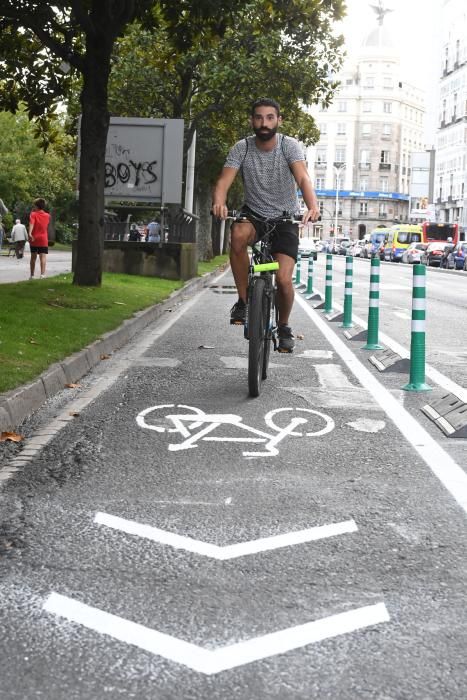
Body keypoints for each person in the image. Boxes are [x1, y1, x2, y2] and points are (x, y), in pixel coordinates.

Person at [212, 97, 320, 352]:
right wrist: (219, 202)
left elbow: (303, 178)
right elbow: (223, 182)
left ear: (278, 121)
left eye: (270, 117)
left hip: (285, 217)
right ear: (252, 120)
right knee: (237, 234)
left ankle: (283, 326)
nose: (264, 123)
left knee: (283, 279)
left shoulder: (289, 146)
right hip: (255, 215)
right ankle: (243, 301)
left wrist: (312, 206)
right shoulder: (243, 148)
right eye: (259, 117)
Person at [28, 198, 50, 279]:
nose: (33, 207)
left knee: (33, 257)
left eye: (34, 205)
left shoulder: (33, 214)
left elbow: (31, 223)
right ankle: (42, 275)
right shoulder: (48, 216)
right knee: (43, 257)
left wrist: (30, 233)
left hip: (34, 238)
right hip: (43, 239)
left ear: (36, 206)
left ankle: (32, 275)